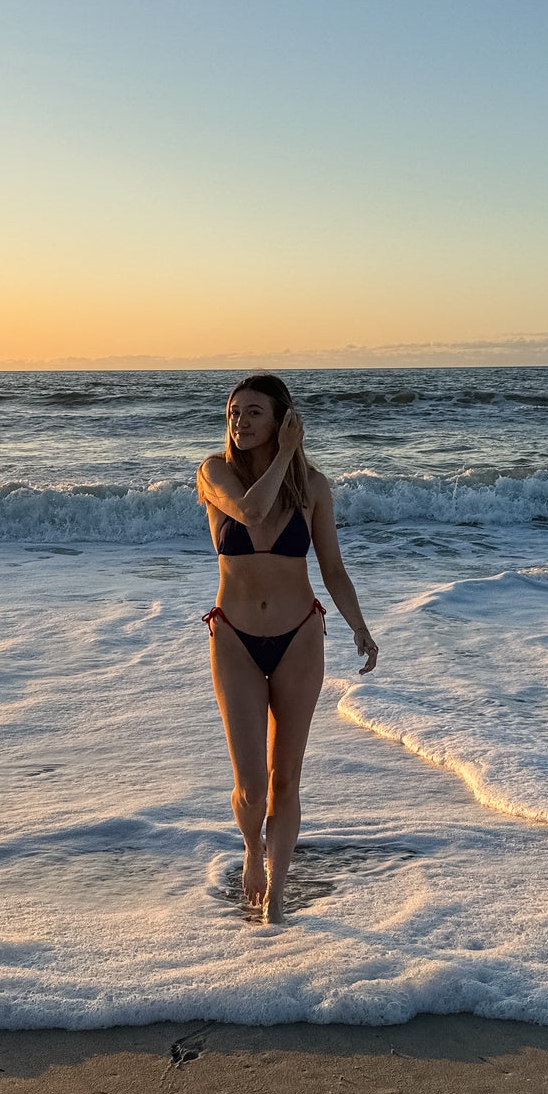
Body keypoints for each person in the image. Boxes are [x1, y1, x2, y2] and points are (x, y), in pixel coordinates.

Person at [196, 374, 379, 922]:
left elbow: (333, 569)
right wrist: (285, 454)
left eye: (254, 412)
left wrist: (359, 626)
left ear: (282, 420)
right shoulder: (214, 473)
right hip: (235, 637)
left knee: (285, 779)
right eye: (234, 413)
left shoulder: (314, 487)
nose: (240, 422)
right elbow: (252, 512)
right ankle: (252, 850)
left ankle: (276, 896)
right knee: (252, 788)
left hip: (300, 634)